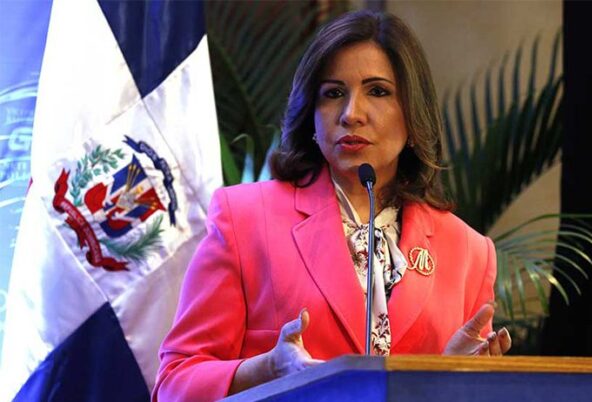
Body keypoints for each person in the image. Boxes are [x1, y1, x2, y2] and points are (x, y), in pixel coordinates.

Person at [153, 9, 511, 402]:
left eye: (378, 91)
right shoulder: (245, 218)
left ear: (413, 116)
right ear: (311, 112)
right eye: (333, 93)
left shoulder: (469, 252)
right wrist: (269, 368)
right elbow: (174, 384)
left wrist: (456, 377)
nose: (351, 114)